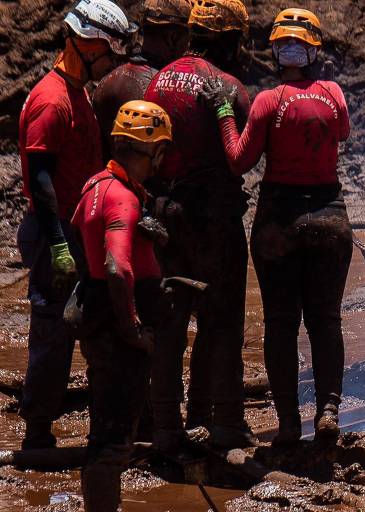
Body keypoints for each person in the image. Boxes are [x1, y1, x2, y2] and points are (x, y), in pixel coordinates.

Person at [201, 7, 352, 444]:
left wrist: (224, 113)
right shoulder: (335, 94)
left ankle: (288, 424)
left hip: (278, 222)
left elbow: (237, 160)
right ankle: (328, 410)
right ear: (314, 51)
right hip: (329, 216)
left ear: (275, 53)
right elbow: (340, 133)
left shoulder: (268, 101)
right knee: (326, 320)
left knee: (281, 323)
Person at [15, 0, 135, 450]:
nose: (113, 61)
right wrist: (59, 244)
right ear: (87, 44)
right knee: (53, 331)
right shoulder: (51, 100)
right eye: (110, 51)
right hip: (56, 231)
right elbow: (40, 177)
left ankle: (100, 427)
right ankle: (37, 434)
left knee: (88, 323)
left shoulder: (76, 91)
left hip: (75, 229)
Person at [143, 0, 253, 450]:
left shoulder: (156, 82)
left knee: (169, 322)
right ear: (227, 41)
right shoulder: (229, 87)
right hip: (215, 221)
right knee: (222, 320)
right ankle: (219, 420)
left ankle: (165, 427)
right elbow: (240, 152)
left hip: (165, 215)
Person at [71, 100, 171, 512]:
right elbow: (116, 266)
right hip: (117, 329)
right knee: (112, 442)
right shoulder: (123, 199)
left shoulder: (94, 186)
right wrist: (132, 328)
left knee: (105, 429)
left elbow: (83, 237)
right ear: (153, 151)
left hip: (96, 315)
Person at [93, 0, 192, 161]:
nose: (187, 47)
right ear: (173, 38)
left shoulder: (107, 83)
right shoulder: (164, 90)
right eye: (186, 40)